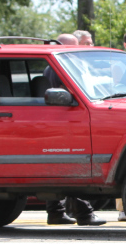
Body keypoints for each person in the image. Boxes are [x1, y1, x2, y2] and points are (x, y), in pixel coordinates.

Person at [39, 61, 106, 227]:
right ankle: (83, 212)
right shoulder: (64, 65)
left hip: (57, 119)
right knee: (74, 167)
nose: (88, 47)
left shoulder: (51, 67)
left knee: (57, 167)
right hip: (65, 119)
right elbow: (72, 95)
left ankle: (56, 212)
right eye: (86, 42)